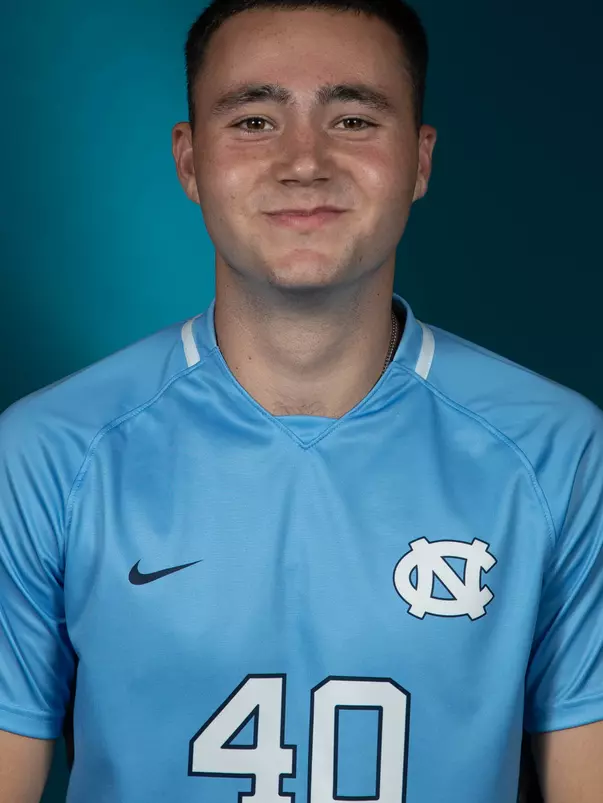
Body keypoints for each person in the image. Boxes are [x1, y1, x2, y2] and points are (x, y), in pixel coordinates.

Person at [0, 0, 602, 800]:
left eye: (353, 118)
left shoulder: (558, 450)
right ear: (188, 161)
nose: (303, 161)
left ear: (420, 161)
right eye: (253, 120)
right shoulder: (49, 451)